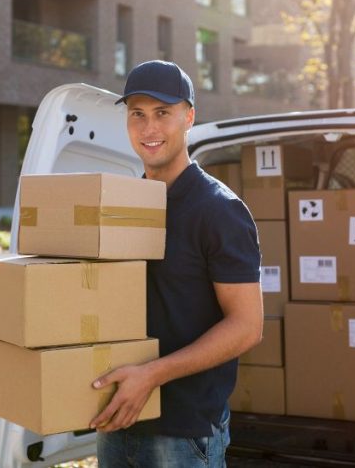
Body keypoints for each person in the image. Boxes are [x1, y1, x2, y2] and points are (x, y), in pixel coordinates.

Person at [89, 60, 264, 467]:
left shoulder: (219, 211)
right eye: (138, 114)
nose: (149, 128)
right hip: (118, 418)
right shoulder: (123, 206)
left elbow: (247, 326)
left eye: (163, 113)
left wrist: (152, 374)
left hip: (183, 433)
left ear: (189, 117)